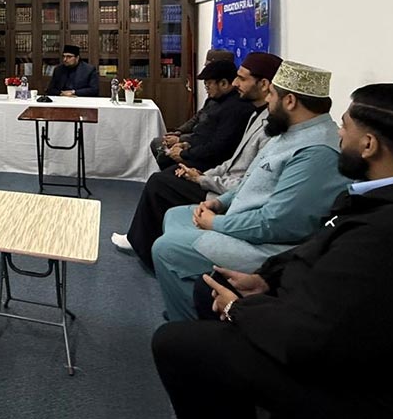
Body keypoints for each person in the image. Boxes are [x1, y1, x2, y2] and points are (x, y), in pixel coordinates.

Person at [152, 84, 393, 419]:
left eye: (345, 127)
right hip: (346, 339)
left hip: (367, 395)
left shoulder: (392, 232)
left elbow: (308, 340)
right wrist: (264, 279)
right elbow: (318, 250)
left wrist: (240, 308)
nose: (339, 135)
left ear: (369, 145)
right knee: (210, 287)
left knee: (177, 344)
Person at [152, 60, 349, 321]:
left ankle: (188, 324)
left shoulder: (316, 152)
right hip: (241, 220)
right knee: (174, 216)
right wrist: (220, 203)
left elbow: (277, 224)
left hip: (267, 246)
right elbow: (251, 180)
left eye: (272, 95)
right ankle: (199, 299)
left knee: (166, 248)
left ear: (289, 101)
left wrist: (217, 223)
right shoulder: (289, 133)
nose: (268, 102)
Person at [113, 53, 282, 265]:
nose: (236, 83)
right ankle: (142, 239)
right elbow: (230, 159)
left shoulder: (261, 120)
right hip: (214, 174)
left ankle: (144, 246)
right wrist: (192, 157)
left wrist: (201, 177)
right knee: (164, 173)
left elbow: (239, 171)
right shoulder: (254, 112)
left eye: (242, 78)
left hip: (224, 188)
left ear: (265, 84)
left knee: (160, 182)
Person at [153, 59, 257, 171]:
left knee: (160, 172)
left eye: (208, 84)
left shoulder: (235, 108)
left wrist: (183, 150)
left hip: (208, 160)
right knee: (159, 147)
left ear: (223, 83)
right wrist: (179, 133)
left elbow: (215, 146)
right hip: (195, 147)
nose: (206, 89)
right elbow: (197, 118)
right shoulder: (214, 99)